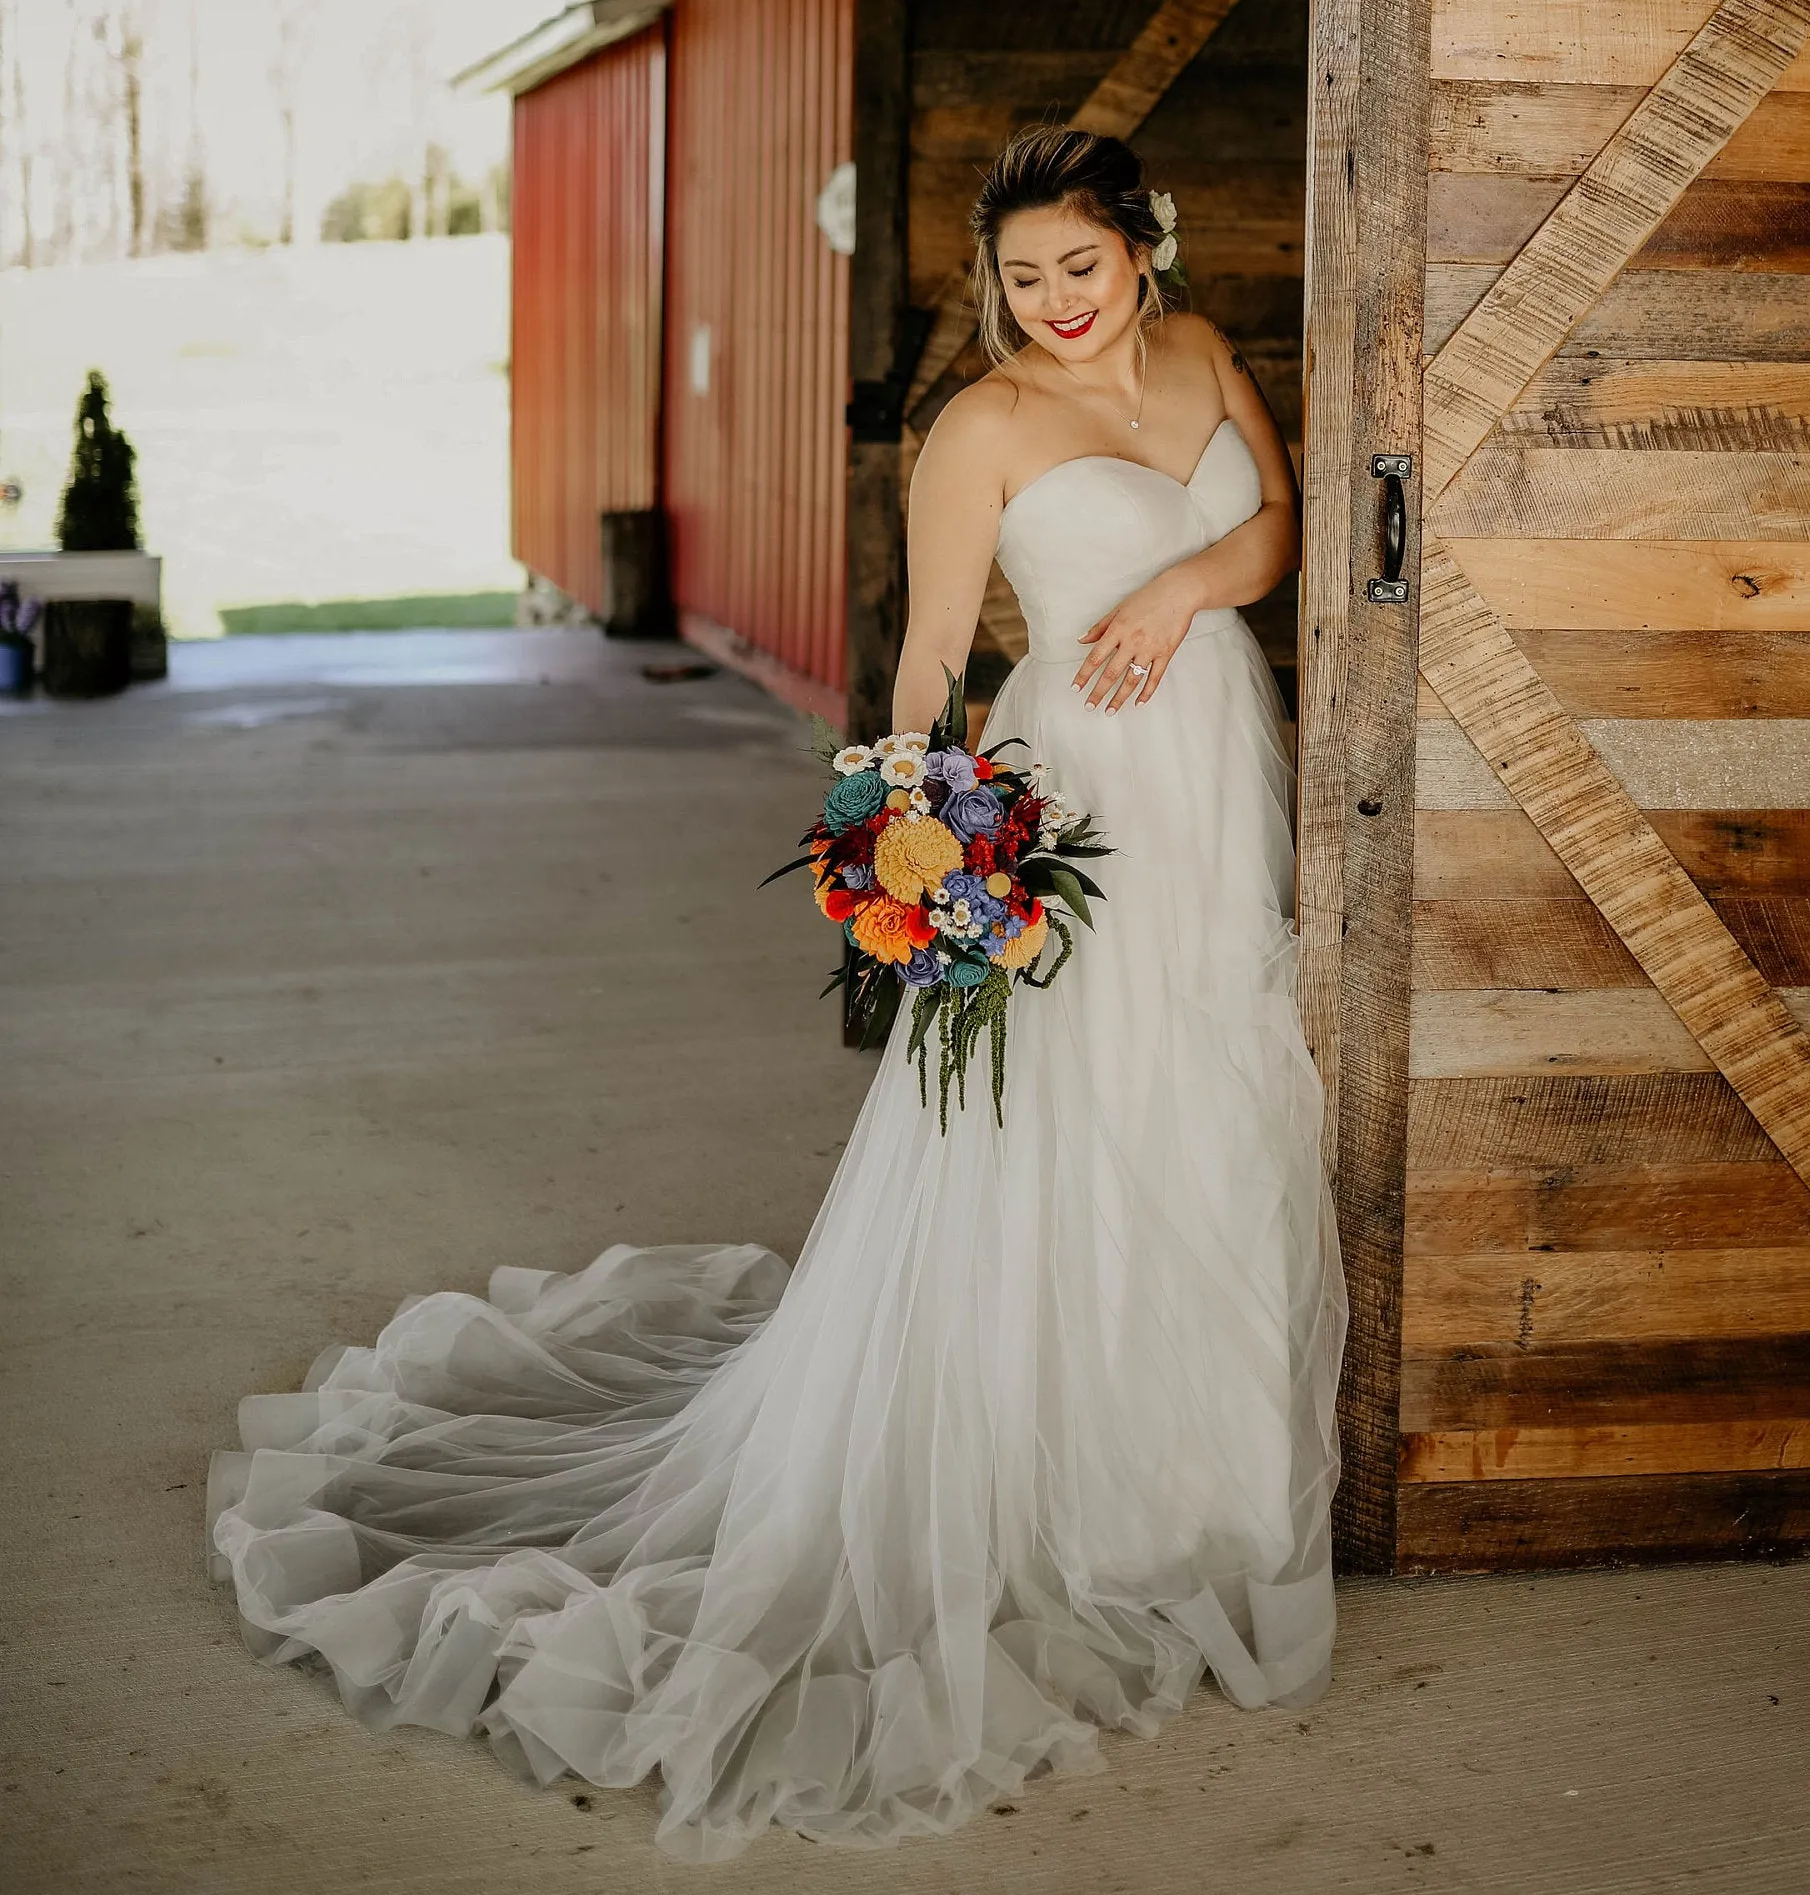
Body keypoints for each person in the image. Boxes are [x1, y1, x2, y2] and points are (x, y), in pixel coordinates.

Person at [207, 124, 1346, 1861]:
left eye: (1079, 268)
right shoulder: (980, 426)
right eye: (1019, 276)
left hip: (1212, 774)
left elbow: (1271, 531)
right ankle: (1076, 1490)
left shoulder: (1199, 358)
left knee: (1210, 1100)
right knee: (1077, 1118)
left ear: (1144, 253)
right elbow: (924, 650)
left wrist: (1189, 581)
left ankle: (1201, 1484)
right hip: (1077, 796)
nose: (1049, 303)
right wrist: (918, 833)